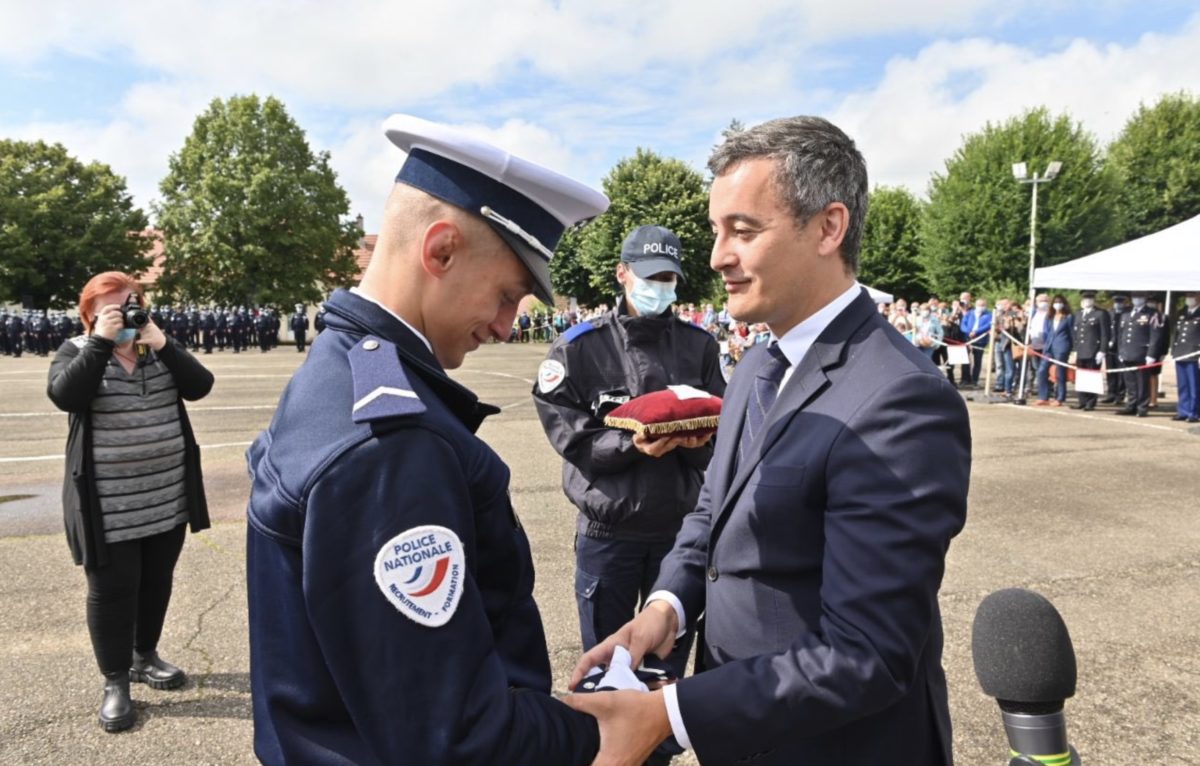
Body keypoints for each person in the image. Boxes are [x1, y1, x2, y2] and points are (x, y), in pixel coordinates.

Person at [565, 116, 971, 766]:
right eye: (716, 230)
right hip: (748, 732)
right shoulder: (758, 363)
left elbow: (868, 652)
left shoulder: (900, 398)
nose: (716, 256)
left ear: (828, 228)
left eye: (743, 231)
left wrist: (668, 714)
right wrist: (666, 609)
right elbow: (713, 514)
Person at [245, 114, 609, 764]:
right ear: (439, 250)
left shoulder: (352, 361)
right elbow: (458, 741)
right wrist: (602, 732)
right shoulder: (391, 446)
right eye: (506, 295)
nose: (505, 327)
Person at [532, 225, 725, 714]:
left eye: (669, 277)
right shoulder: (579, 348)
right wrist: (634, 446)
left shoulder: (698, 346)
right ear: (622, 274)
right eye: (649, 276)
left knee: (663, 670)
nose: (660, 287)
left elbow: (722, 433)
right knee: (606, 668)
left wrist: (695, 442)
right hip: (609, 534)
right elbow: (571, 435)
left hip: (677, 534)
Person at [45, 271, 213, 732]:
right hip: (108, 505)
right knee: (112, 590)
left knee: (156, 581)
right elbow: (66, 395)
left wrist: (163, 344)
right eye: (114, 306)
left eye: (132, 303)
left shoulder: (155, 349)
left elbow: (200, 385)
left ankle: (145, 656)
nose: (127, 312)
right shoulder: (77, 352)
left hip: (165, 497)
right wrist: (101, 342)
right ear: (90, 314)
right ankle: (115, 681)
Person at [1115, 291, 1167, 417]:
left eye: (1139, 296)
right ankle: (1131, 405)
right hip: (1127, 352)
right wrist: (1121, 351)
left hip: (1142, 353)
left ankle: (1142, 406)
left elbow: (1155, 335)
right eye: (1134, 296)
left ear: (1145, 298)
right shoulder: (1126, 313)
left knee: (1142, 382)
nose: (1136, 299)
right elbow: (1121, 334)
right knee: (1130, 382)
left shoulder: (1152, 313)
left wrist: (1151, 354)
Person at [1071, 290, 1110, 411]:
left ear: (1093, 300)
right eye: (1085, 298)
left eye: (1090, 298)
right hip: (1081, 350)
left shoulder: (1100, 314)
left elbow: (1105, 334)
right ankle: (1082, 400)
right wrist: (1074, 349)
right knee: (1081, 376)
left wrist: (1102, 350)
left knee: (1092, 376)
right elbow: (1076, 333)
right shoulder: (1078, 313)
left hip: (1093, 350)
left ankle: (1091, 402)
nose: (1087, 300)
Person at [1034, 295, 1074, 406]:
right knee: (1042, 370)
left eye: (1060, 302)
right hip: (1049, 347)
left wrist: (1072, 348)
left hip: (1062, 347)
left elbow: (1072, 333)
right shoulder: (1050, 316)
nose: (1057, 304)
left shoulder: (1068, 317)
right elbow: (1047, 331)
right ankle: (1043, 396)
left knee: (1060, 372)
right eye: (1055, 302)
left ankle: (1060, 398)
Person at [1170, 292, 1200, 423]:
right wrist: (1173, 351)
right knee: (1183, 385)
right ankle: (1183, 410)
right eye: (1188, 295)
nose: (1190, 297)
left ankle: (1194, 412)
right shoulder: (1182, 312)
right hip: (1181, 352)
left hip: (1194, 353)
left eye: (1193, 295)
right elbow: (1176, 333)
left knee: (1194, 385)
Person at [1102, 293, 1131, 405]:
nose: (1118, 304)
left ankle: (1120, 395)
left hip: (1121, 346)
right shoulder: (1109, 313)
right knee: (1110, 371)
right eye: (1116, 302)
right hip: (1110, 347)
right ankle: (1111, 393)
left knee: (1120, 373)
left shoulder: (1127, 314)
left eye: (1120, 302)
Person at [960, 297, 992, 385]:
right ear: (975, 305)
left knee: (977, 361)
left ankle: (975, 380)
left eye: (983, 305)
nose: (980, 307)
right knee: (965, 360)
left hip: (980, 340)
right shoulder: (969, 313)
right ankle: (965, 379)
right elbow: (963, 324)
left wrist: (976, 332)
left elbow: (988, 326)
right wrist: (968, 331)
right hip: (967, 339)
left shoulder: (989, 315)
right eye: (979, 305)